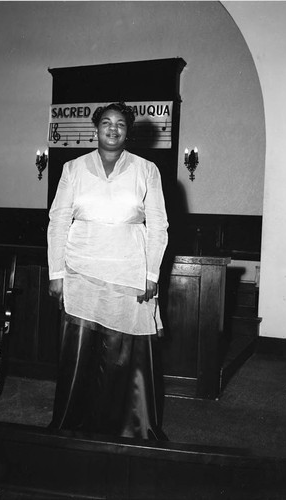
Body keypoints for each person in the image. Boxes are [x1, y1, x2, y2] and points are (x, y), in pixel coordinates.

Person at [47, 102, 169, 440]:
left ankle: (127, 428)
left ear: (128, 130)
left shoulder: (147, 170)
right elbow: (58, 221)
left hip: (130, 271)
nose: (112, 129)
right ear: (96, 128)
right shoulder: (73, 168)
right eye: (106, 123)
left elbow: (158, 226)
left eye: (119, 124)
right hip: (81, 270)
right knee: (81, 352)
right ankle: (73, 423)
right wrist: (56, 272)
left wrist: (152, 274)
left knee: (122, 354)